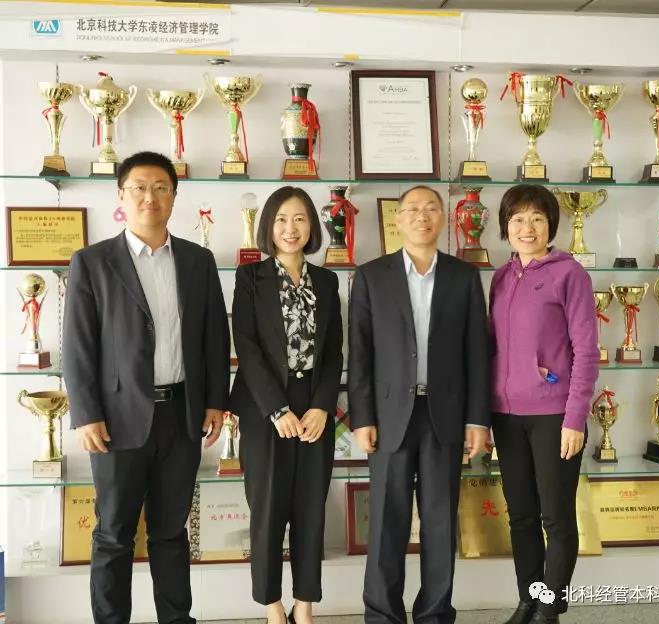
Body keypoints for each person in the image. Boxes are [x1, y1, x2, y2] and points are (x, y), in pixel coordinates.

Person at [63, 151, 230, 624]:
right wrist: (86, 413)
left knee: (171, 532)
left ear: (174, 196)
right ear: (121, 195)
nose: (149, 197)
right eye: (138, 187)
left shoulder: (198, 261)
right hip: (117, 421)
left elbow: (215, 337)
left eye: (160, 187)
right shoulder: (93, 262)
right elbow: (78, 345)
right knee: (114, 534)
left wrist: (215, 401)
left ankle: (176, 619)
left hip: (181, 415)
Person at [348, 185, 491, 624]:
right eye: (412, 209)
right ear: (398, 219)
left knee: (439, 521)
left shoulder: (464, 277)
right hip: (389, 416)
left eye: (431, 208)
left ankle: (434, 613)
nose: (421, 216)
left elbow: (477, 353)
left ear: (443, 218)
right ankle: (382, 615)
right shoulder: (371, 276)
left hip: (444, 415)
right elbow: (360, 353)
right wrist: (362, 417)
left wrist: (477, 419)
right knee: (386, 523)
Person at [229, 186, 343, 624]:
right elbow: (247, 348)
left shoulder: (327, 281)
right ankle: (273, 608)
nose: (290, 228)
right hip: (265, 409)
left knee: (311, 509)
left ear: (311, 225)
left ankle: (305, 606)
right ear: (268, 226)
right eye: (281, 219)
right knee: (268, 509)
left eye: (299, 219)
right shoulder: (249, 278)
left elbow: (333, 353)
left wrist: (322, 406)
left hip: (314, 408)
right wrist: (276, 409)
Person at [489, 185, 599, 624]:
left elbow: (586, 351)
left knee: (555, 517)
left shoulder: (570, 275)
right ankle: (528, 600)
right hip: (506, 416)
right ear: (506, 226)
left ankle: (549, 610)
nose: (527, 227)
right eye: (517, 219)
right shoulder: (501, 278)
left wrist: (575, 418)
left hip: (554, 415)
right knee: (521, 516)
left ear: (551, 223)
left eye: (537, 218)